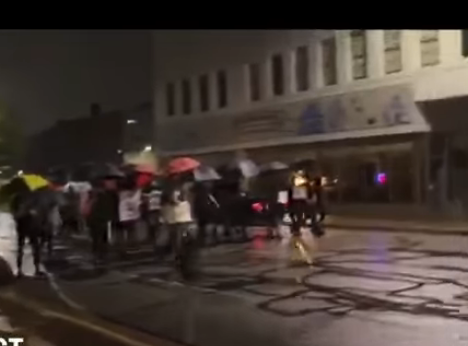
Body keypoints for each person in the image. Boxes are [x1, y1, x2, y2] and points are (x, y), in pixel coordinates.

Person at [11, 191, 43, 276]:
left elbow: (39, 211)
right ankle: (19, 270)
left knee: (35, 248)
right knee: (21, 248)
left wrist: (35, 213)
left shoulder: (35, 197)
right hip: (22, 225)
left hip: (32, 226)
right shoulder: (17, 198)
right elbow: (14, 214)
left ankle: (36, 269)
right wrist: (24, 212)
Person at [141, 180, 162, 244]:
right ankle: (153, 237)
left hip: (155, 209)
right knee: (152, 224)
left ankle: (153, 237)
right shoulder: (147, 190)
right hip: (153, 209)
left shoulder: (158, 190)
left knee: (154, 224)